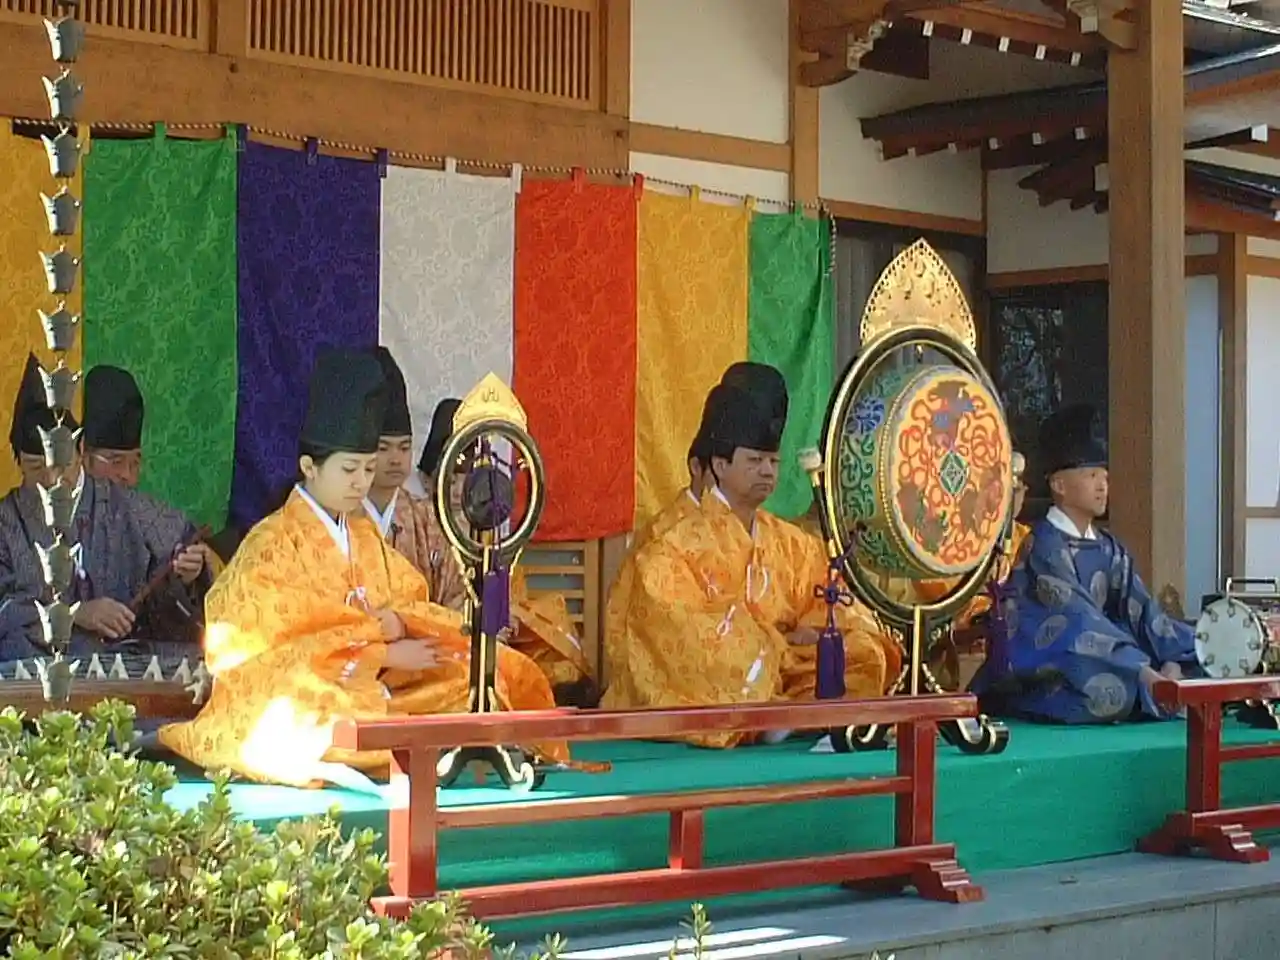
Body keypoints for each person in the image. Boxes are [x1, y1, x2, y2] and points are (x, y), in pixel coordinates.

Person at [156, 350, 566, 788]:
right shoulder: (272, 542)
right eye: (350, 469)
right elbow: (257, 641)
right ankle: (391, 733)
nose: (361, 482)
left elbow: (409, 600)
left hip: (378, 684)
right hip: (310, 687)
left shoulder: (364, 535)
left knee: (474, 682)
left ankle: (390, 728)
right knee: (303, 710)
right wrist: (378, 651)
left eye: (368, 469)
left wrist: (400, 624)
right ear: (310, 468)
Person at [601, 378, 900, 748]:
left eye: (773, 461)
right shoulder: (671, 544)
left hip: (787, 668)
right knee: (729, 654)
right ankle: (772, 716)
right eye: (755, 461)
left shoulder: (789, 541)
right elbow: (673, 624)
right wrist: (770, 642)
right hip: (725, 669)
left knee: (858, 649)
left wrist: (816, 629)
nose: (767, 471)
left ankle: (789, 714)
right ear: (719, 465)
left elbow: (828, 596)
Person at [971, 404, 1201, 723]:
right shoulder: (1043, 546)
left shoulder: (1110, 548)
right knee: (1104, 686)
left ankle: (1159, 683)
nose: (1102, 485)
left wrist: (1172, 658)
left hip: (1112, 655)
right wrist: (1144, 671)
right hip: (1049, 664)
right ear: (1059, 485)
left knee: (1200, 657)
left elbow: (1143, 611)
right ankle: (1151, 688)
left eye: (1105, 476)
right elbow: (1077, 621)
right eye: (1092, 475)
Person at [0, 354, 210, 670]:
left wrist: (188, 576)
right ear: (19, 464)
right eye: (36, 467)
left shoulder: (134, 510)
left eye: (62, 464)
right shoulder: (6, 522)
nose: (52, 479)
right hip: (35, 671)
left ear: (81, 450)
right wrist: (74, 614)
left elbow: (176, 584)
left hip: (124, 664)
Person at [412, 389, 594, 702]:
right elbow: (410, 600)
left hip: (492, 637)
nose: (456, 490)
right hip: (439, 639)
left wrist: (507, 615)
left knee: (555, 665)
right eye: (449, 480)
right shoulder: (414, 522)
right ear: (429, 481)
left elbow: (512, 590)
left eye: (464, 480)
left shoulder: (486, 526)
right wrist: (460, 620)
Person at [81, 364, 225, 577]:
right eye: (116, 461)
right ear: (84, 455)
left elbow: (184, 571)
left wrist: (191, 574)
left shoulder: (154, 518)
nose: (127, 476)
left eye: (135, 463)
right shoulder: (55, 515)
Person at [364, 350, 466, 610]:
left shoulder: (428, 519)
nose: (396, 459)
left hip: (426, 635)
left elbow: (456, 595)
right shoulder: (343, 516)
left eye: (404, 447)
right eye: (383, 448)